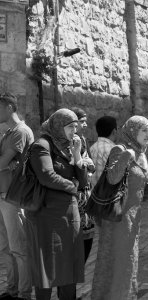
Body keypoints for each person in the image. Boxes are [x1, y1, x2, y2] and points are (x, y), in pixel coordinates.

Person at [26, 108, 88, 300]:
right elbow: (47, 177)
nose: (74, 132)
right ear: (59, 126)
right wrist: (73, 186)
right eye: (70, 127)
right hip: (46, 214)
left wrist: (77, 156)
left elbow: (84, 181)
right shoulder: (41, 145)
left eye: (76, 127)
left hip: (69, 215)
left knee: (68, 265)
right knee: (47, 264)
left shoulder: (72, 146)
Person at [90, 116, 148, 300]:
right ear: (132, 131)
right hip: (118, 218)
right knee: (117, 261)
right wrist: (127, 156)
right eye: (144, 130)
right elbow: (112, 178)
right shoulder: (120, 149)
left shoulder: (142, 154)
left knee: (129, 263)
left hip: (134, 217)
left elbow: (139, 186)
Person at [0, 93, 33, 300]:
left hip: (13, 197)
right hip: (3, 195)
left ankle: (23, 294)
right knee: (5, 248)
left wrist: (6, 163)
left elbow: (2, 164)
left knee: (19, 248)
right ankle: (12, 290)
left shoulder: (20, 131)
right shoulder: (7, 133)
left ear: (10, 107)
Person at [70, 107, 96, 267]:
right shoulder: (68, 143)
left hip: (86, 195)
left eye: (85, 121)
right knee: (75, 240)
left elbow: (91, 167)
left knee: (87, 239)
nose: (85, 124)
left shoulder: (83, 140)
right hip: (75, 196)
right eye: (81, 121)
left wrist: (86, 164)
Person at [89, 116, 117, 187]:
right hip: (108, 196)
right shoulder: (114, 150)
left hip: (92, 195)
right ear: (114, 131)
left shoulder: (91, 148)